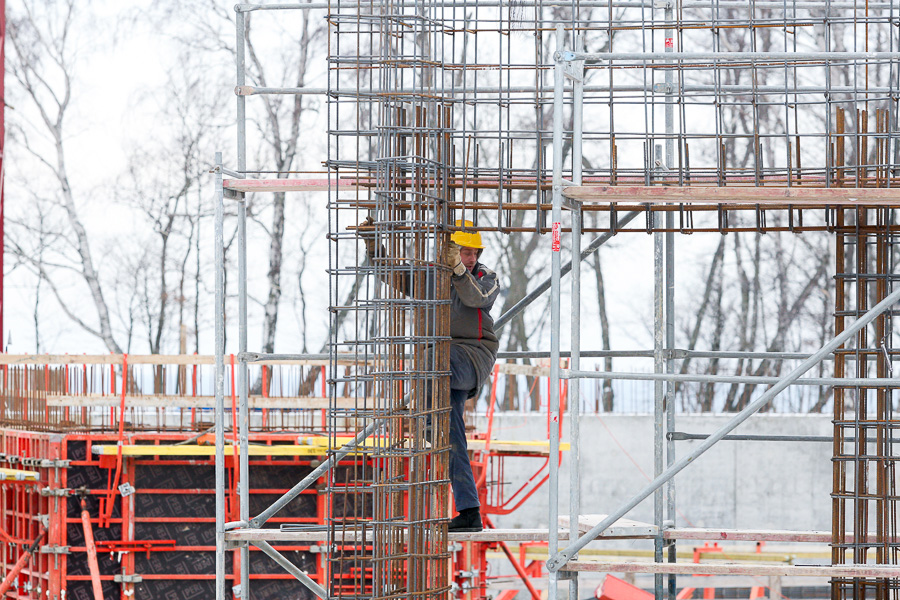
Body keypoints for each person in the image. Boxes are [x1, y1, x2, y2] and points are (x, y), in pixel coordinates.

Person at [359, 218, 500, 533]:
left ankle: (425, 417)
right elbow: (392, 274)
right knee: (452, 438)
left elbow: (477, 299)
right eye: (464, 252)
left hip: (471, 356)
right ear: (448, 249)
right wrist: (374, 245)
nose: (471, 258)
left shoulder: (484, 277)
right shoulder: (430, 277)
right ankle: (469, 511)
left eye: (473, 253)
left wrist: (459, 271)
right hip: (440, 367)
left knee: (432, 358)